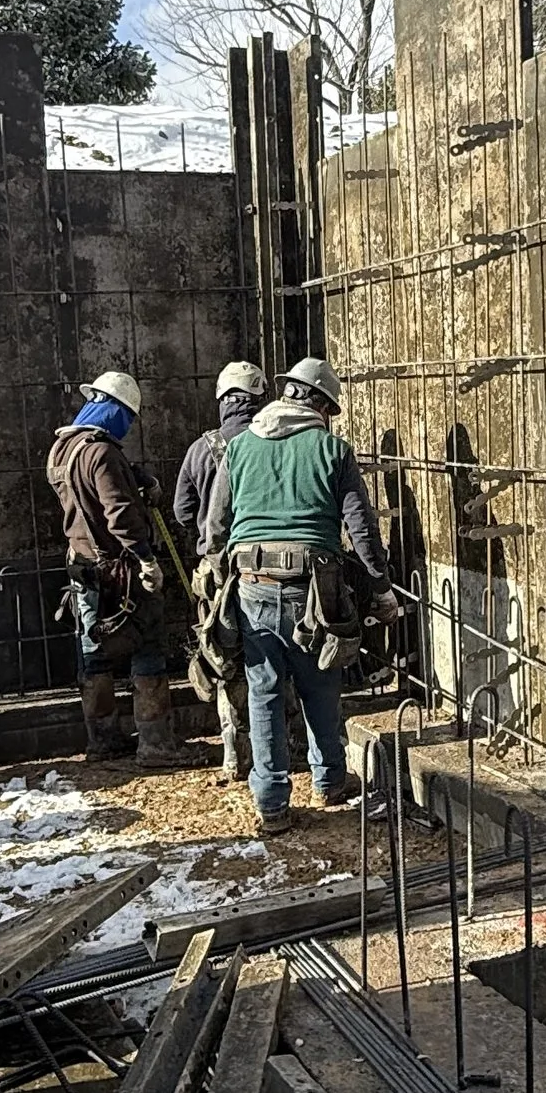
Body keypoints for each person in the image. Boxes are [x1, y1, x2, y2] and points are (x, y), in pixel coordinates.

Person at [204, 354, 401, 832]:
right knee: (321, 680)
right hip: (315, 587)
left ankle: (271, 804)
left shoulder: (241, 446)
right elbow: (362, 530)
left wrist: (215, 572)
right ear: (320, 404)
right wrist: (382, 591)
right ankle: (329, 780)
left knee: (264, 691)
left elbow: (214, 526)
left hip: (250, 586)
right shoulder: (332, 450)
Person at [45, 367, 176, 763]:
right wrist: (146, 560)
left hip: (82, 566)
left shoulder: (63, 450)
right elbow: (118, 512)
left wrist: (134, 474)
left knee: (93, 651)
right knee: (147, 647)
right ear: (116, 410)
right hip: (119, 569)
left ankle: (102, 740)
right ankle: (155, 744)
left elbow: (89, 482)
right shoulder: (101, 452)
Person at [173, 358, 267, 783]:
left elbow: (181, 510)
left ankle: (234, 754)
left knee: (223, 658)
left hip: (215, 572)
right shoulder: (270, 442)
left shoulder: (201, 449)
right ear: (259, 398)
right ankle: (278, 749)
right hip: (264, 567)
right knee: (269, 656)